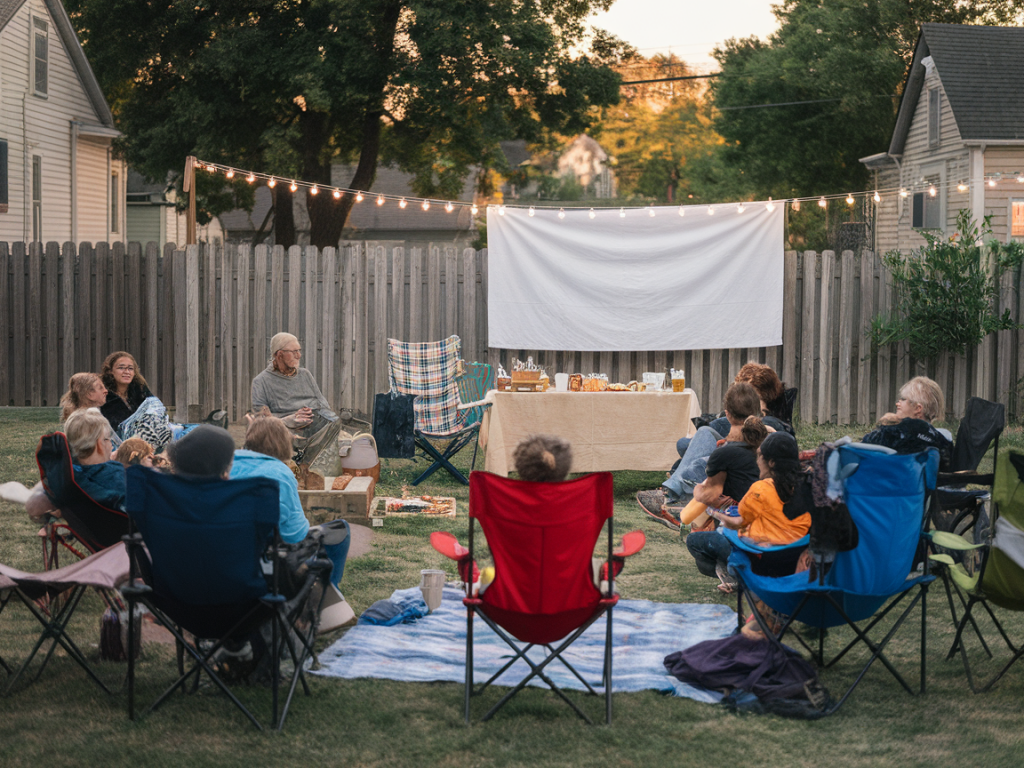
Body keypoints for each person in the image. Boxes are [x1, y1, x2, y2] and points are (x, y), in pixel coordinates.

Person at [227, 415, 354, 631]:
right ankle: (323, 598)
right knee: (340, 530)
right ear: (283, 443)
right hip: (273, 561)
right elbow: (296, 535)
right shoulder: (280, 473)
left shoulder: (228, 466)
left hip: (231, 554)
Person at [685, 431, 811, 594]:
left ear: (771, 462)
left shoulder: (761, 489)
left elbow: (737, 523)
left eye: (759, 456)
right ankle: (731, 573)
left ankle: (737, 577)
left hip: (764, 563)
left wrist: (716, 514)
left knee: (696, 541)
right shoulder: (810, 488)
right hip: (796, 565)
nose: (756, 461)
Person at [638, 382, 763, 529]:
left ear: (727, 414)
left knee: (698, 461)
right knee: (696, 437)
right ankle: (676, 488)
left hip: (732, 495)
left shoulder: (727, 452)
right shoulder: (765, 432)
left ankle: (670, 497)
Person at [251, 332, 340, 466]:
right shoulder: (261, 381)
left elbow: (323, 404)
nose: (299, 355)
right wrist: (291, 420)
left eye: (299, 351)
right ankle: (305, 463)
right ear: (279, 354)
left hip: (315, 425)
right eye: (293, 352)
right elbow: (261, 422)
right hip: (285, 429)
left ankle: (306, 462)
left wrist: (331, 420)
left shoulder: (305, 375)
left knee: (337, 423)